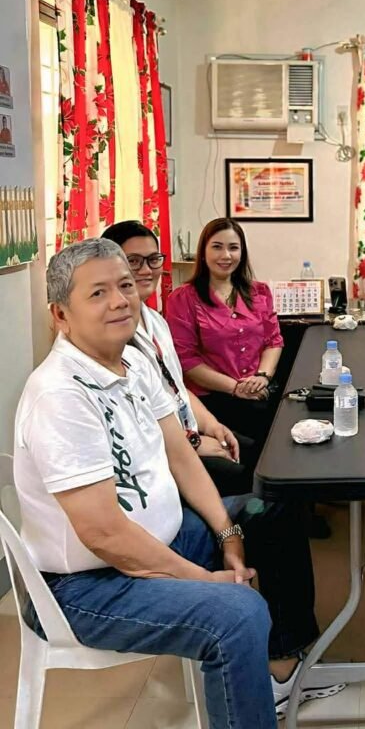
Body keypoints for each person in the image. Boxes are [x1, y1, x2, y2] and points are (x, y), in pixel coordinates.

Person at [14, 239, 341, 727]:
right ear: (61, 315)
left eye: (125, 286)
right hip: (88, 587)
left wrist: (228, 534)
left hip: (166, 539)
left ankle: (279, 665)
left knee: (269, 509)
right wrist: (201, 579)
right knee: (239, 613)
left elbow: (181, 456)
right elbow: (104, 533)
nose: (120, 301)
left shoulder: (133, 363)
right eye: (98, 293)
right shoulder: (60, 396)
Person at [102, 220, 258, 496]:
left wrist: (211, 425)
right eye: (133, 261)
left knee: (263, 455)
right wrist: (194, 443)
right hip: (162, 451)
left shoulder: (155, 321)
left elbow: (176, 386)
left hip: (187, 429)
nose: (146, 270)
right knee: (253, 480)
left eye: (153, 260)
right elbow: (137, 418)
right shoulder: (112, 333)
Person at [166, 218, 283, 451]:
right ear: (203, 252)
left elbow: (273, 341)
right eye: (217, 247)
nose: (226, 255)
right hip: (213, 399)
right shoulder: (182, 298)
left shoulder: (258, 291)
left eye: (233, 248)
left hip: (259, 389)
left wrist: (262, 376)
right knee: (256, 447)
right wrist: (235, 388)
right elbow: (186, 361)